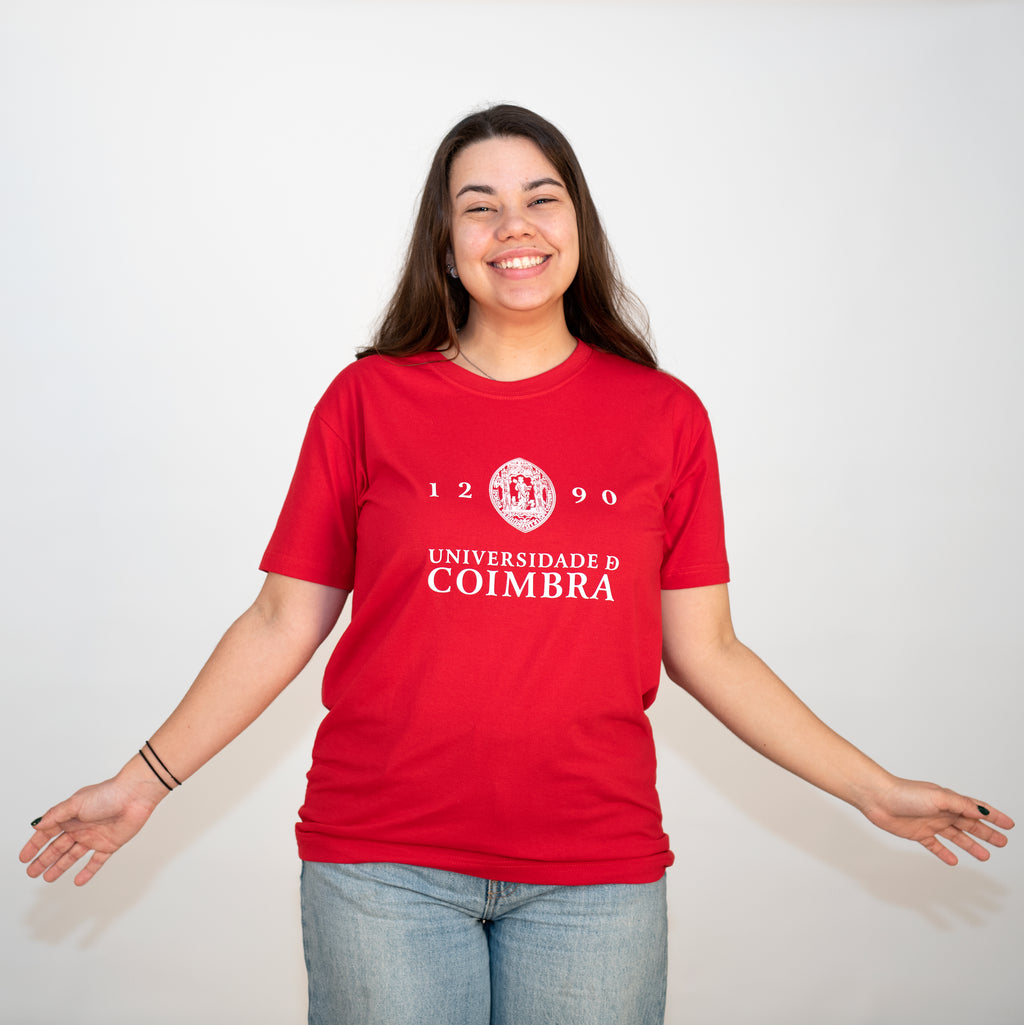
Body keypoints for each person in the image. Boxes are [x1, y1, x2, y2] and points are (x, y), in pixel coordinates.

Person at [20, 105, 1013, 1025]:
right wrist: (143, 780)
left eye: (540, 198)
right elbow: (282, 620)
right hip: (383, 864)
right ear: (446, 248)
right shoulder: (367, 402)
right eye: (479, 207)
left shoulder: (663, 418)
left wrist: (869, 787)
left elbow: (708, 649)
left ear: (576, 223)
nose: (513, 227)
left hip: (595, 871)